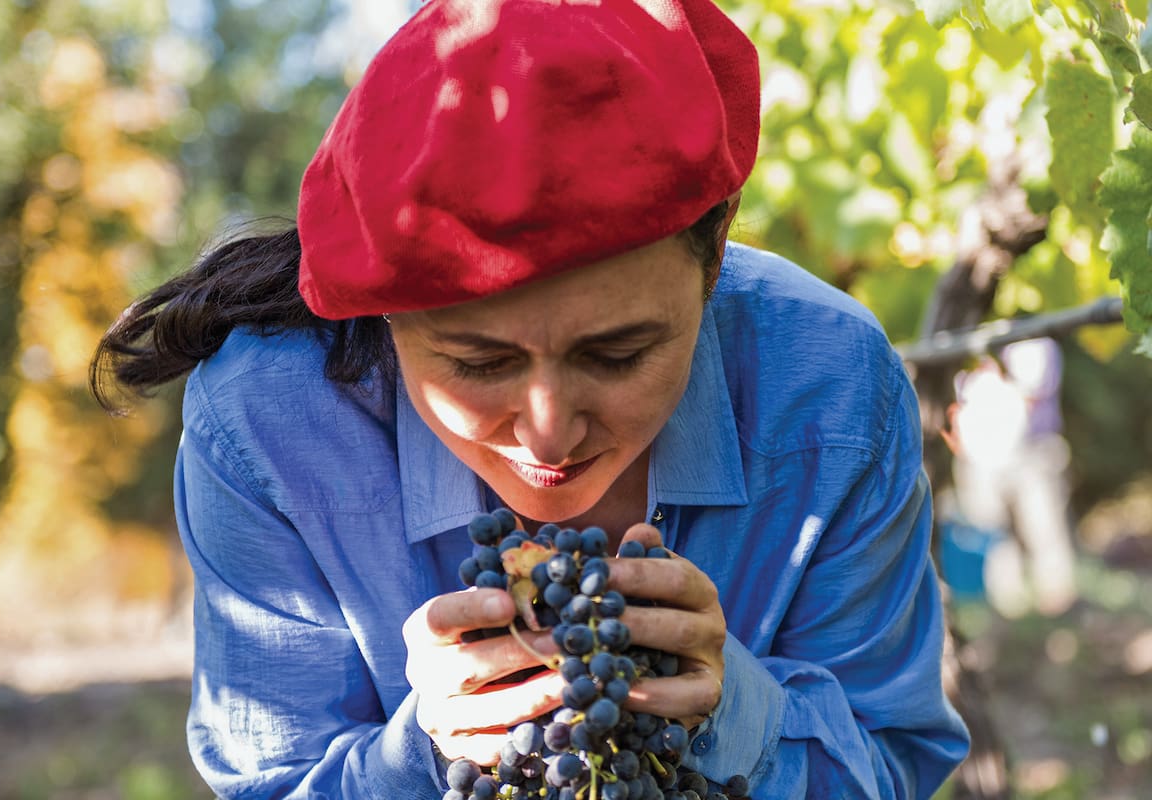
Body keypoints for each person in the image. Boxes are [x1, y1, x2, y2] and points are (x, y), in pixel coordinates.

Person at [92, 0, 969, 796]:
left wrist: (738, 716)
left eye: (619, 353)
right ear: (385, 319)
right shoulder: (266, 426)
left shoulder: (834, 393)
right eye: (478, 363)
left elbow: (896, 763)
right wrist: (421, 757)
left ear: (714, 265)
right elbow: (268, 783)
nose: (548, 431)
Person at [946, 338, 1077, 617]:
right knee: (993, 532)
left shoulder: (1032, 343)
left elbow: (1033, 390)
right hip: (981, 457)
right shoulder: (964, 344)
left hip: (1032, 450)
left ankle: (1058, 600)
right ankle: (1008, 603)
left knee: (1043, 524)